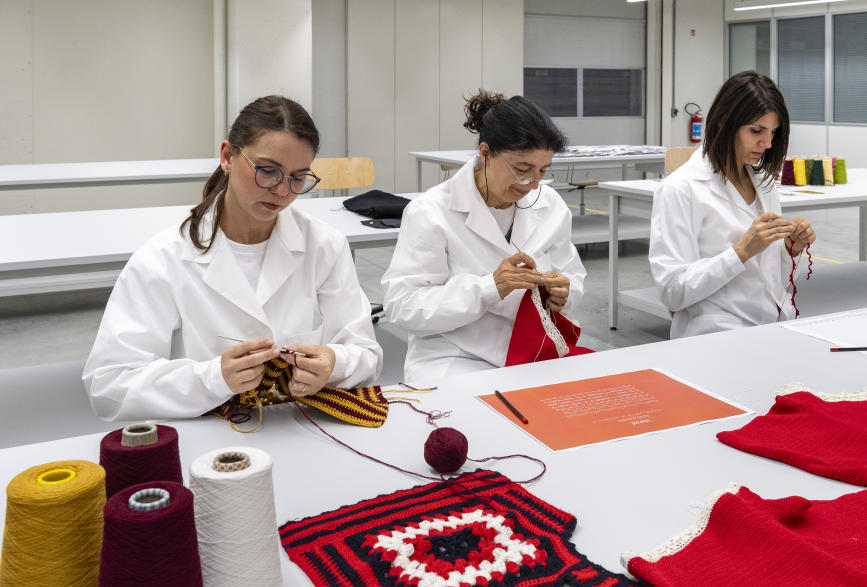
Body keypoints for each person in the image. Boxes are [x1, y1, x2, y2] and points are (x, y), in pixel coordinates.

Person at [83, 95, 382, 421]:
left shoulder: (324, 245)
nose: (282, 192)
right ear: (227, 156)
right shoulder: (164, 258)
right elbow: (109, 385)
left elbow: (366, 354)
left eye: (298, 178)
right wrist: (213, 378)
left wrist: (334, 364)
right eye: (268, 171)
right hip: (210, 431)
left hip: (298, 425)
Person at [381, 90, 586, 385]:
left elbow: (573, 275)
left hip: (536, 348)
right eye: (522, 169)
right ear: (486, 153)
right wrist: (488, 288)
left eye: (542, 171)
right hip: (456, 356)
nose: (532, 184)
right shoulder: (431, 212)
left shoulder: (550, 204)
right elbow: (402, 306)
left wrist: (565, 293)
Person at [649, 71, 816, 339]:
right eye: (756, 131)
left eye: (773, 132)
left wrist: (788, 249)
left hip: (773, 324)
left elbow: (770, 280)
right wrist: (740, 252)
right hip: (714, 334)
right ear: (723, 123)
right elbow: (672, 291)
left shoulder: (764, 183)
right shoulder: (680, 189)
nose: (767, 143)